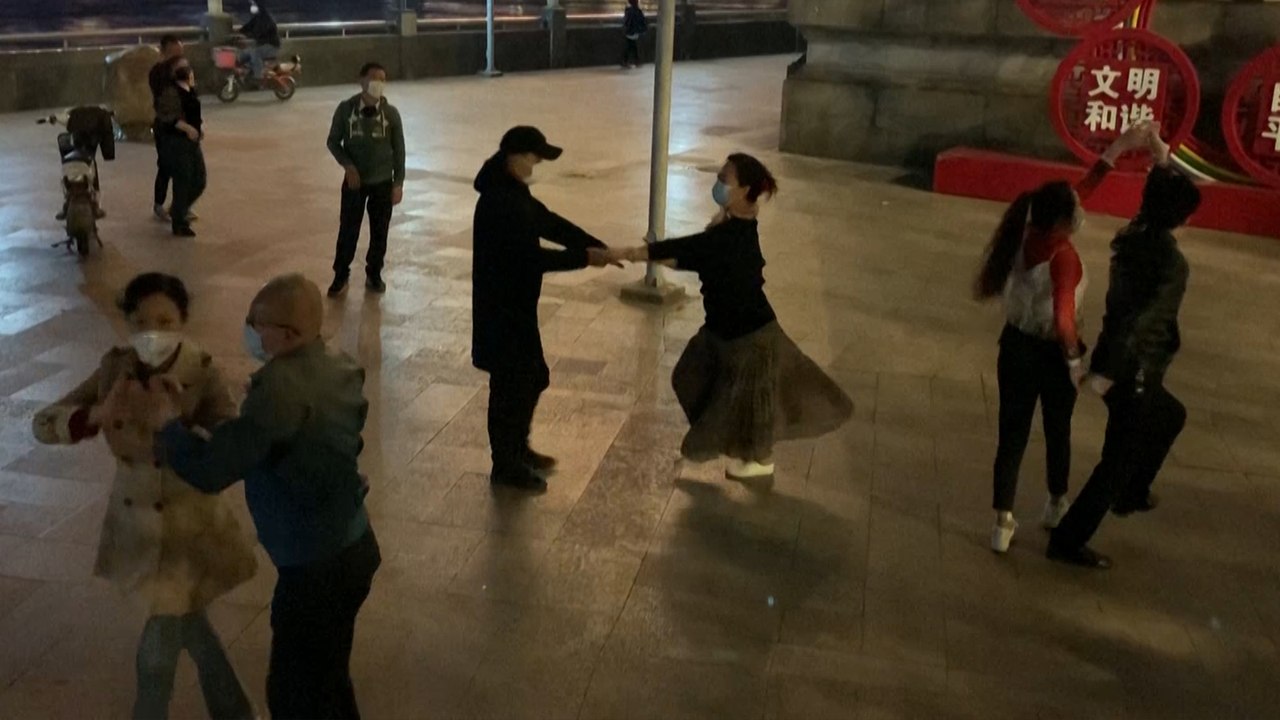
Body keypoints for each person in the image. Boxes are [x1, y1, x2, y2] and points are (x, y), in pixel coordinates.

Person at [150, 273, 380, 719]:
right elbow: (312, 438)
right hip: (355, 546)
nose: (249, 332)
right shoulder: (339, 366)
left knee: (292, 691)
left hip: (316, 564)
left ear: (287, 333)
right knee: (329, 675)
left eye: (257, 324)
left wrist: (168, 429)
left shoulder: (279, 386)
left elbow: (213, 469)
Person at [32, 273, 257, 720]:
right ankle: (235, 711)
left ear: (182, 320)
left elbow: (230, 443)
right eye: (140, 322)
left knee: (157, 652)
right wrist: (96, 413)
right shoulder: (114, 368)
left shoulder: (202, 371)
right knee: (193, 628)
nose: (151, 331)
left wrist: (177, 424)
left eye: (164, 320)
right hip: (136, 525)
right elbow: (43, 422)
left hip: (189, 530)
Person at [605, 153, 853, 481]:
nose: (718, 183)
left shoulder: (731, 235)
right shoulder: (734, 228)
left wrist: (634, 253)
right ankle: (748, 456)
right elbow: (699, 255)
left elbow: (694, 247)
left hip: (747, 336)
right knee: (704, 381)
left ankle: (733, 458)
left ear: (743, 190)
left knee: (739, 403)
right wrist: (667, 260)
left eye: (725, 179)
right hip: (727, 331)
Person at [974, 123, 1153, 554]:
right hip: (1050, 356)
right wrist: (1075, 362)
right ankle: (1056, 502)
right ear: (1062, 223)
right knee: (1058, 430)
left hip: (1013, 347)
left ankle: (1002, 522)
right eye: (1074, 215)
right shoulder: (1065, 257)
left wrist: (1117, 149)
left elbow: (1079, 192)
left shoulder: (1023, 230)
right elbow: (1065, 321)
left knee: (1011, 437)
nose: (1081, 216)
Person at [1048, 127, 1201, 570]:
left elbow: (1160, 195)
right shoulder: (1172, 264)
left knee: (1171, 416)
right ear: (1178, 217)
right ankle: (1069, 539)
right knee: (1115, 463)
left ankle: (1131, 492)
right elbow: (1145, 324)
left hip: (1119, 365)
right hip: (1131, 372)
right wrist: (1110, 373)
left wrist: (1160, 155)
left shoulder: (1134, 238)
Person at [472, 126, 616, 491]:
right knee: (510, 386)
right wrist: (584, 258)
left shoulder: (512, 192)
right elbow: (530, 258)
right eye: (534, 156)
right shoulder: (499, 201)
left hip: (516, 307)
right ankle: (505, 463)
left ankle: (517, 449)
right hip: (500, 310)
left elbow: (548, 222)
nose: (537, 163)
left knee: (531, 377)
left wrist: (594, 244)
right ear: (514, 155)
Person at [326, 62, 406, 296]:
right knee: (348, 228)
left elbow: (399, 149)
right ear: (361, 80)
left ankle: (374, 273)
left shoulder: (391, 114)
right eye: (373, 78)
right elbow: (332, 141)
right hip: (355, 183)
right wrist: (348, 165)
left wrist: (398, 182)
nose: (378, 84)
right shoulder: (345, 109)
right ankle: (341, 272)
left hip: (382, 181)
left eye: (383, 79)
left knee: (380, 230)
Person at [155, 55, 205, 238]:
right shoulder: (170, 92)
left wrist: (199, 128)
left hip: (191, 141)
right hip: (176, 142)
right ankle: (179, 221)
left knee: (199, 180)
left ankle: (178, 209)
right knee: (183, 181)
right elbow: (166, 117)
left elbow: (195, 113)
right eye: (182, 67)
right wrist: (187, 128)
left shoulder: (190, 90)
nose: (187, 69)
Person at [149, 34, 184, 222]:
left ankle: (179, 205)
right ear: (164, 51)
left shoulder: (181, 69)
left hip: (182, 124)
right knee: (166, 166)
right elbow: (164, 99)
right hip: (165, 125)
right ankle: (159, 204)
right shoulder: (158, 72)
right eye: (175, 53)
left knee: (183, 167)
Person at [239, 1, 281, 80]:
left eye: (254, 5)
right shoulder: (257, 18)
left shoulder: (266, 19)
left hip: (271, 46)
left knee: (255, 52)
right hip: (262, 45)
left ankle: (258, 75)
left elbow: (259, 32)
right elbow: (247, 27)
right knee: (244, 53)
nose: (252, 7)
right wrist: (238, 32)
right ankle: (247, 72)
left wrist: (247, 36)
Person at [622, 0, 647, 69]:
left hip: (630, 31)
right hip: (632, 31)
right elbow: (640, 20)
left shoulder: (629, 10)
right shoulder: (635, 11)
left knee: (631, 46)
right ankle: (633, 60)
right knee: (631, 46)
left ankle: (632, 60)